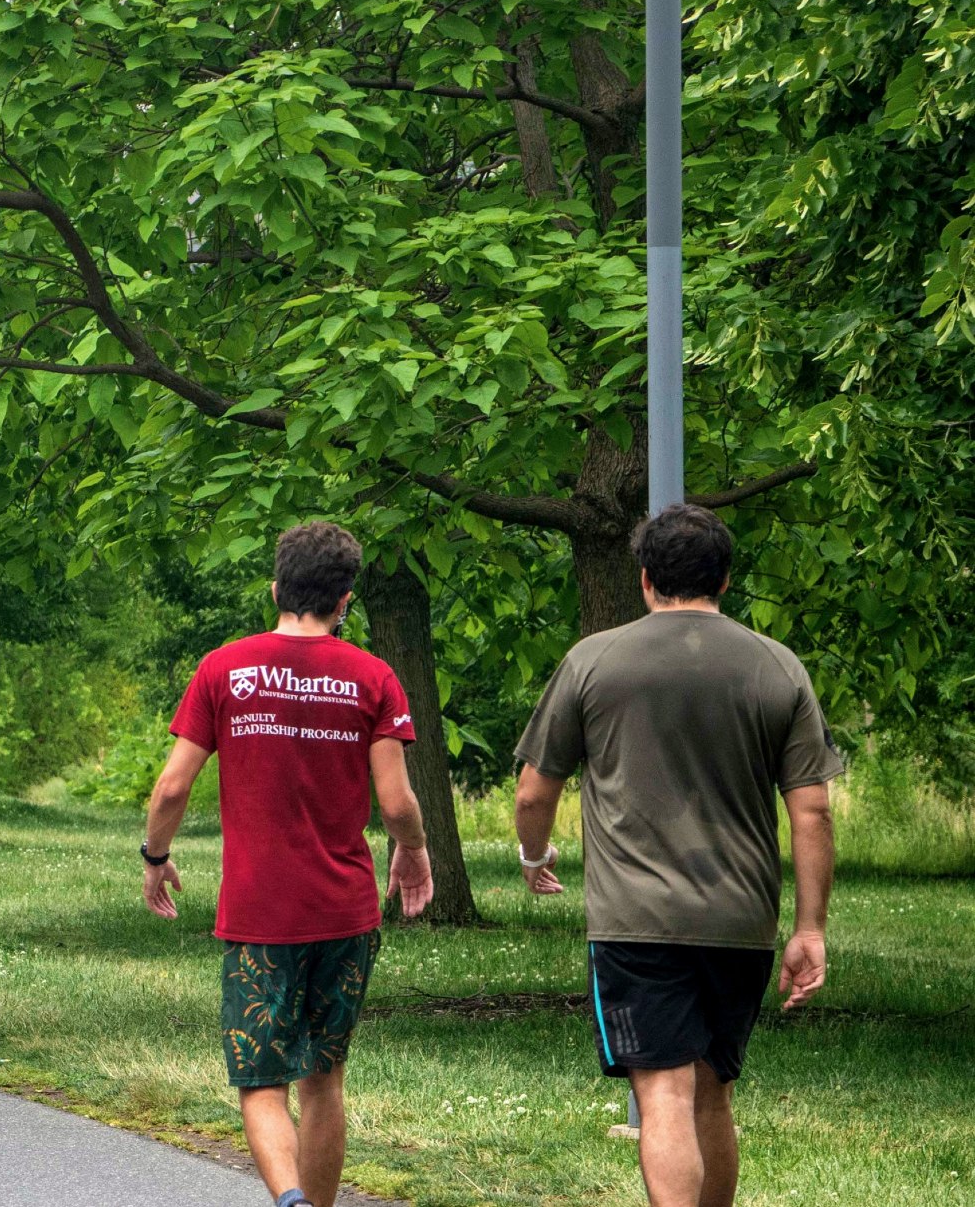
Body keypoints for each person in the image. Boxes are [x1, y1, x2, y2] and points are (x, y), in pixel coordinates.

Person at [513, 503, 840, 1207]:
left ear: (644, 579)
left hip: (636, 922)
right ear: (725, 577)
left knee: (662, 1091)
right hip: (740, 921)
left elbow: (534, 789)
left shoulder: (592, 661)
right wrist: (810, 927)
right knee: (712, 1094)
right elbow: (811, 808)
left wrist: (532, 854)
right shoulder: (777, 666)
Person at [140, 522, 434, 1207]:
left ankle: (290, 1201)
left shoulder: (224, 668)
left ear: (276, 587)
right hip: (345, 911)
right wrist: (414, 853)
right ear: (345, 600)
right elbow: (395, 802)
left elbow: (172, 787)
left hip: (259, 911)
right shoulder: (375, 677)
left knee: (259, 1079)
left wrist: (156, 855)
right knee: (324, 1078)